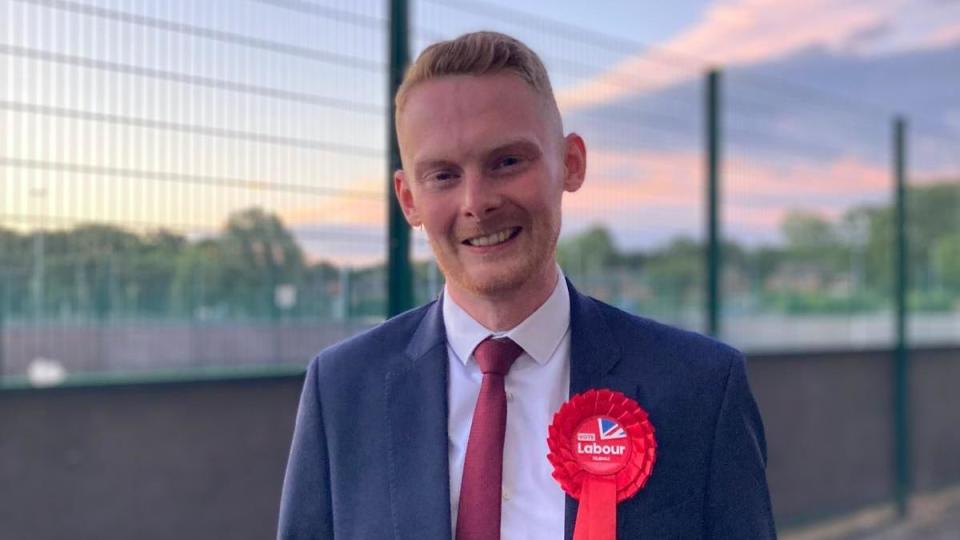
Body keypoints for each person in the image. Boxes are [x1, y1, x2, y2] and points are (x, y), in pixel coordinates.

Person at [278, 31, 776, 539]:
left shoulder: (702, 388)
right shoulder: (341, 390)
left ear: (571, 163)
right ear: (408, 199)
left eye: (507, 162)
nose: (477, 202)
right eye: (443, 175)